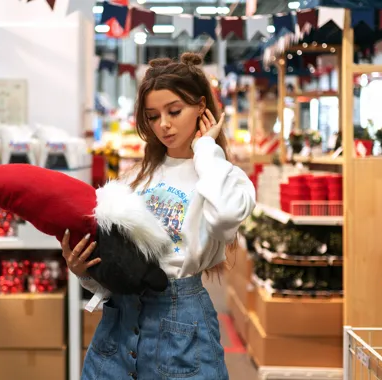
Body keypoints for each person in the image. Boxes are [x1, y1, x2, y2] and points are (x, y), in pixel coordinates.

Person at [61, 52, 256, 380]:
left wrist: (206, 150)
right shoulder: (135, 177)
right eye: (153, 116)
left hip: (180, 322)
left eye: (174, 111)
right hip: (119, 324)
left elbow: (224, 219)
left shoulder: (225, 176)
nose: (163, 124)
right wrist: (84, 272)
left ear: (202, 108)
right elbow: (119, 265)